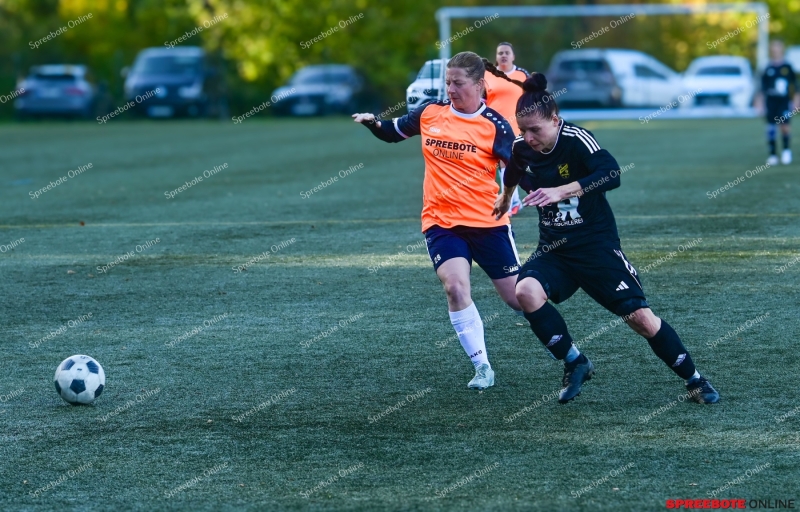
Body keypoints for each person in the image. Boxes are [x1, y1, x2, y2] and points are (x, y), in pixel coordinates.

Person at [491, 72, 720, 405]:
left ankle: (695, 381)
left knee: (639, 318)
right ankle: (575, 362)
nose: (528, 137)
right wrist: (505, 195)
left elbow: (611, 173)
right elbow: (513, 166)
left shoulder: (577, 139)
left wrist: (563, 189)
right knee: (525, 291)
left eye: (535, 130)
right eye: (522, 130)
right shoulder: (522, 147)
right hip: (555, 250)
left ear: (555, 120)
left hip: (596, 247)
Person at [352, 51, 522, 390]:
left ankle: (562, 346)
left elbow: (517, 167)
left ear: (478, 84)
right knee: (455, 287)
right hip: (441, 222)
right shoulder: (430, 113)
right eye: (447, 82)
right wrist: (373, 123)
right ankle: (482, 367)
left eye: (458, 83)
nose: (451, 89)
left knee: (520, 299)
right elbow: (392, 132)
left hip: (487, 224)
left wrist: (511, 194)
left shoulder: (495, 125)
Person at [484, 42, 529, 216]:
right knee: (492, 163)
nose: (503, 55)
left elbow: (530, 97)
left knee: (507, 162)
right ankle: (512, 200)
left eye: (507, 52)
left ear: (513, 56)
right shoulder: (487, 74)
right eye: (500, 52)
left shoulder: (522, 74)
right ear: (496, 56)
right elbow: (481, 98)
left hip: (515, 126)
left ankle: (509, 202)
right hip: (491, 125)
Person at [755, 39, 799, 165]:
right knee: (771, 128)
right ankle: (773, 154)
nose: (775, 50)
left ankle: (786, 151)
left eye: (777, 47)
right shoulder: (767, 66)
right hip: (771, 101)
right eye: (773, 47)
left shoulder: (787, 66)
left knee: (784, 126)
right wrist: (760, 102)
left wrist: (796, 100)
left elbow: (795, 86)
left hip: (784, 101)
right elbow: (762, 88)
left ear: (782, 49)